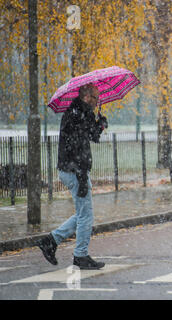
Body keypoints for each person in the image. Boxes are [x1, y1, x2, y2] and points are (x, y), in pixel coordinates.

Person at [37, 83, 108, 270]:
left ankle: (51, 241)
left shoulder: (82, 112)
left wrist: (100, 125)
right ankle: (80, 255)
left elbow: (91, 136)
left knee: (83, 214)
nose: (97, 100)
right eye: (95, 97)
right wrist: (81, 176)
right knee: (86, 216)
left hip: (75, 170)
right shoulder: (75, 115)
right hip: (74, 171)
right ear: (86, 97)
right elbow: (75, 148)